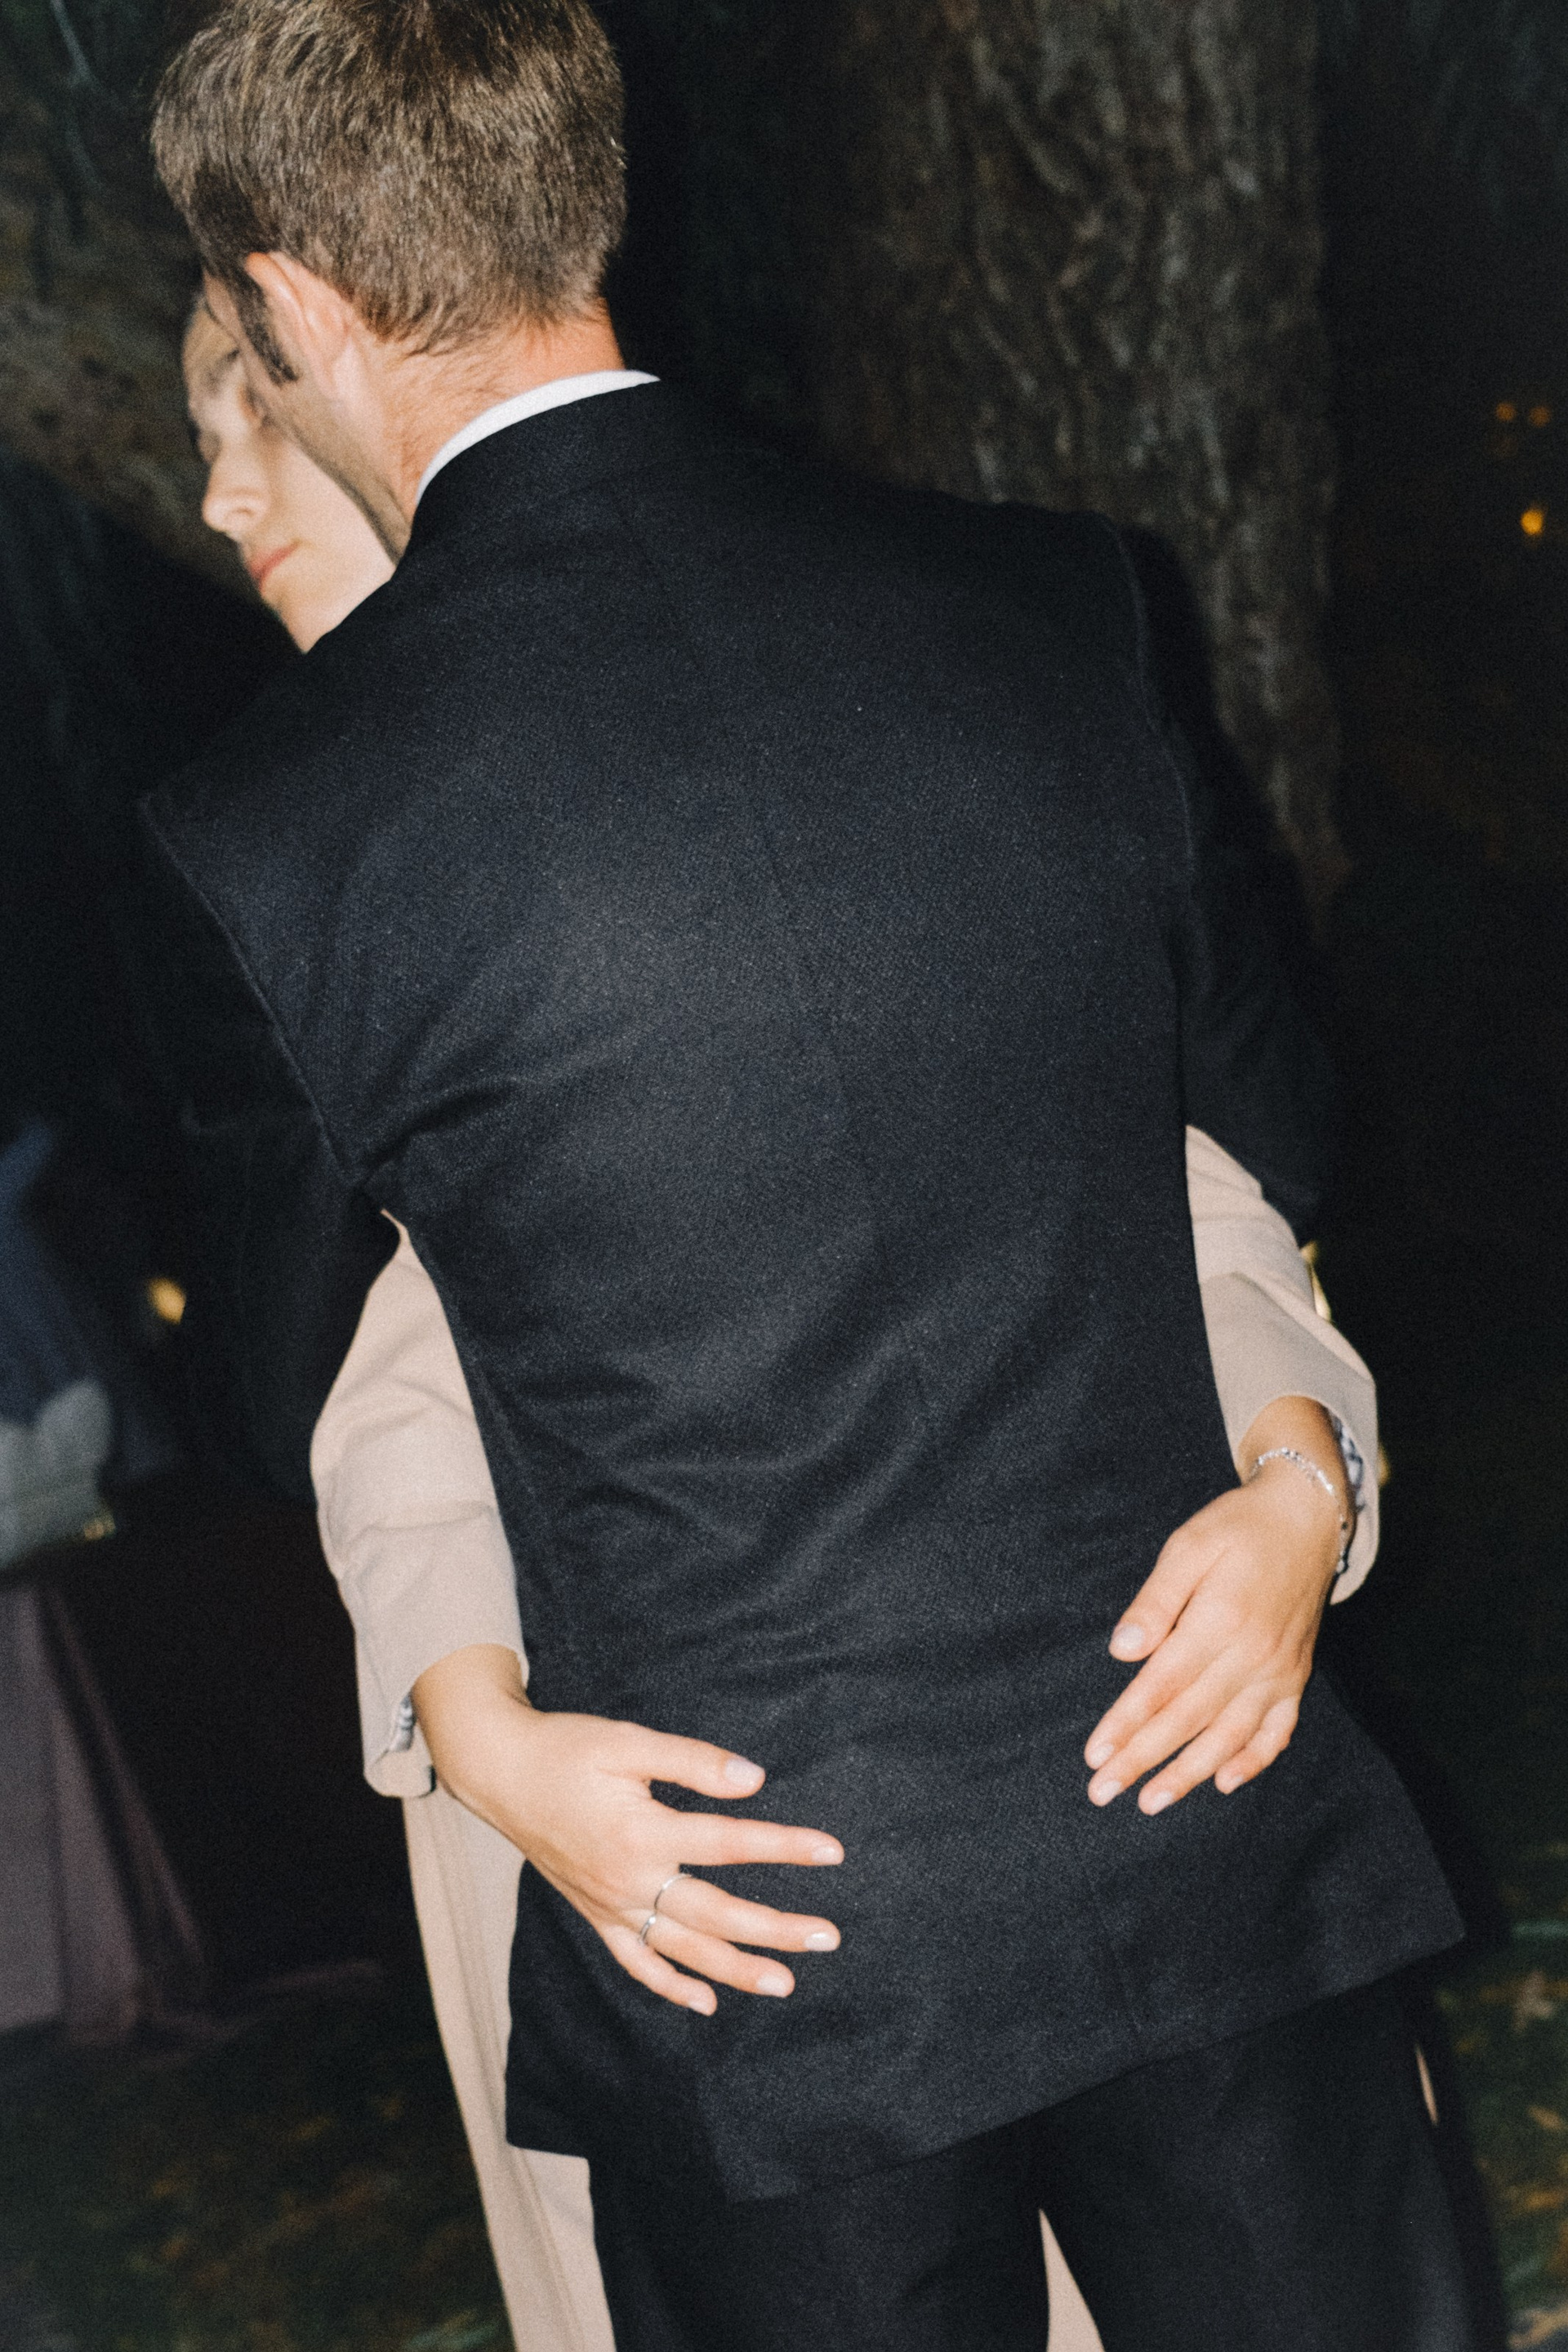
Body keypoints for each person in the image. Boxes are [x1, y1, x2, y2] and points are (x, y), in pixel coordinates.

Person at [145, 7, 1468, 2345]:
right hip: (1201, 1816)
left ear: (302, 303)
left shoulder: (271, 835)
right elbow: (1273, 1129)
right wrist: (1296, 1480)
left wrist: (478, 1727)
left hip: (743, 1944)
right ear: (588, 201)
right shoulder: (1055, 605)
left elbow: (276, 1388)